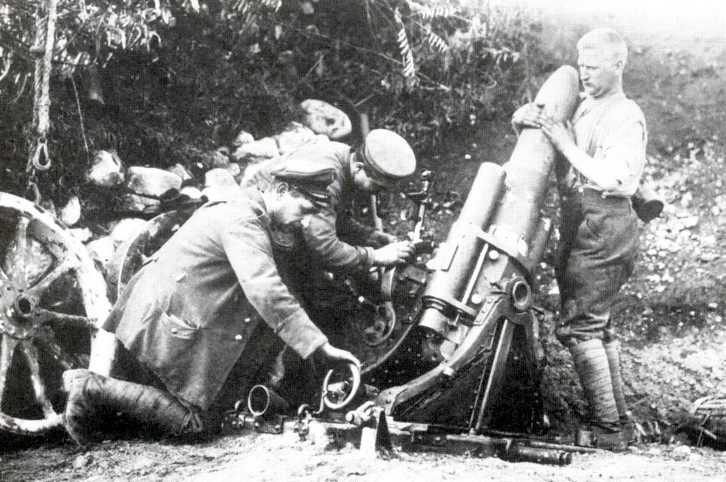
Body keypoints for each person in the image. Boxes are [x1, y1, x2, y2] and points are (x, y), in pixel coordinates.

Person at [62, 160, 361, 447]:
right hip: (166, 323)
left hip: (179, 314)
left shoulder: (252, 210)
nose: (305, 221)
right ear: (282, 192)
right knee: (198, 424)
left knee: (228, 412)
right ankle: (90, 387)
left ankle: (101, 398)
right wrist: (320, 347)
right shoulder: (242, 219)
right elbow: (264, 287)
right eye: (304, 209)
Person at [512, 28, 646, 449]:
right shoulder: (589, 106)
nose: (585, 75)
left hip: (603, 221)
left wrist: (564, 142)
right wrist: (523, 119)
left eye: (594, 67)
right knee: (596, 327)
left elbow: (617, 178)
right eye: (581, 66)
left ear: (618, 65)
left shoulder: (625, 115)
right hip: (585, 221)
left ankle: (607, 431)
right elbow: (548, 133)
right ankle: (618, 424)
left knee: (581, 329)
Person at [245, 129, 417, 272]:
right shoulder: (327, 179)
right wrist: (377, 256)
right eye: (378, 187)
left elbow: (333, 216)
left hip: (287, 220)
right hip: (261, 227)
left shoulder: (347, 157)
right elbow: (323, 246)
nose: (378, 194)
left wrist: (369, 236)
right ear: (359, 168)